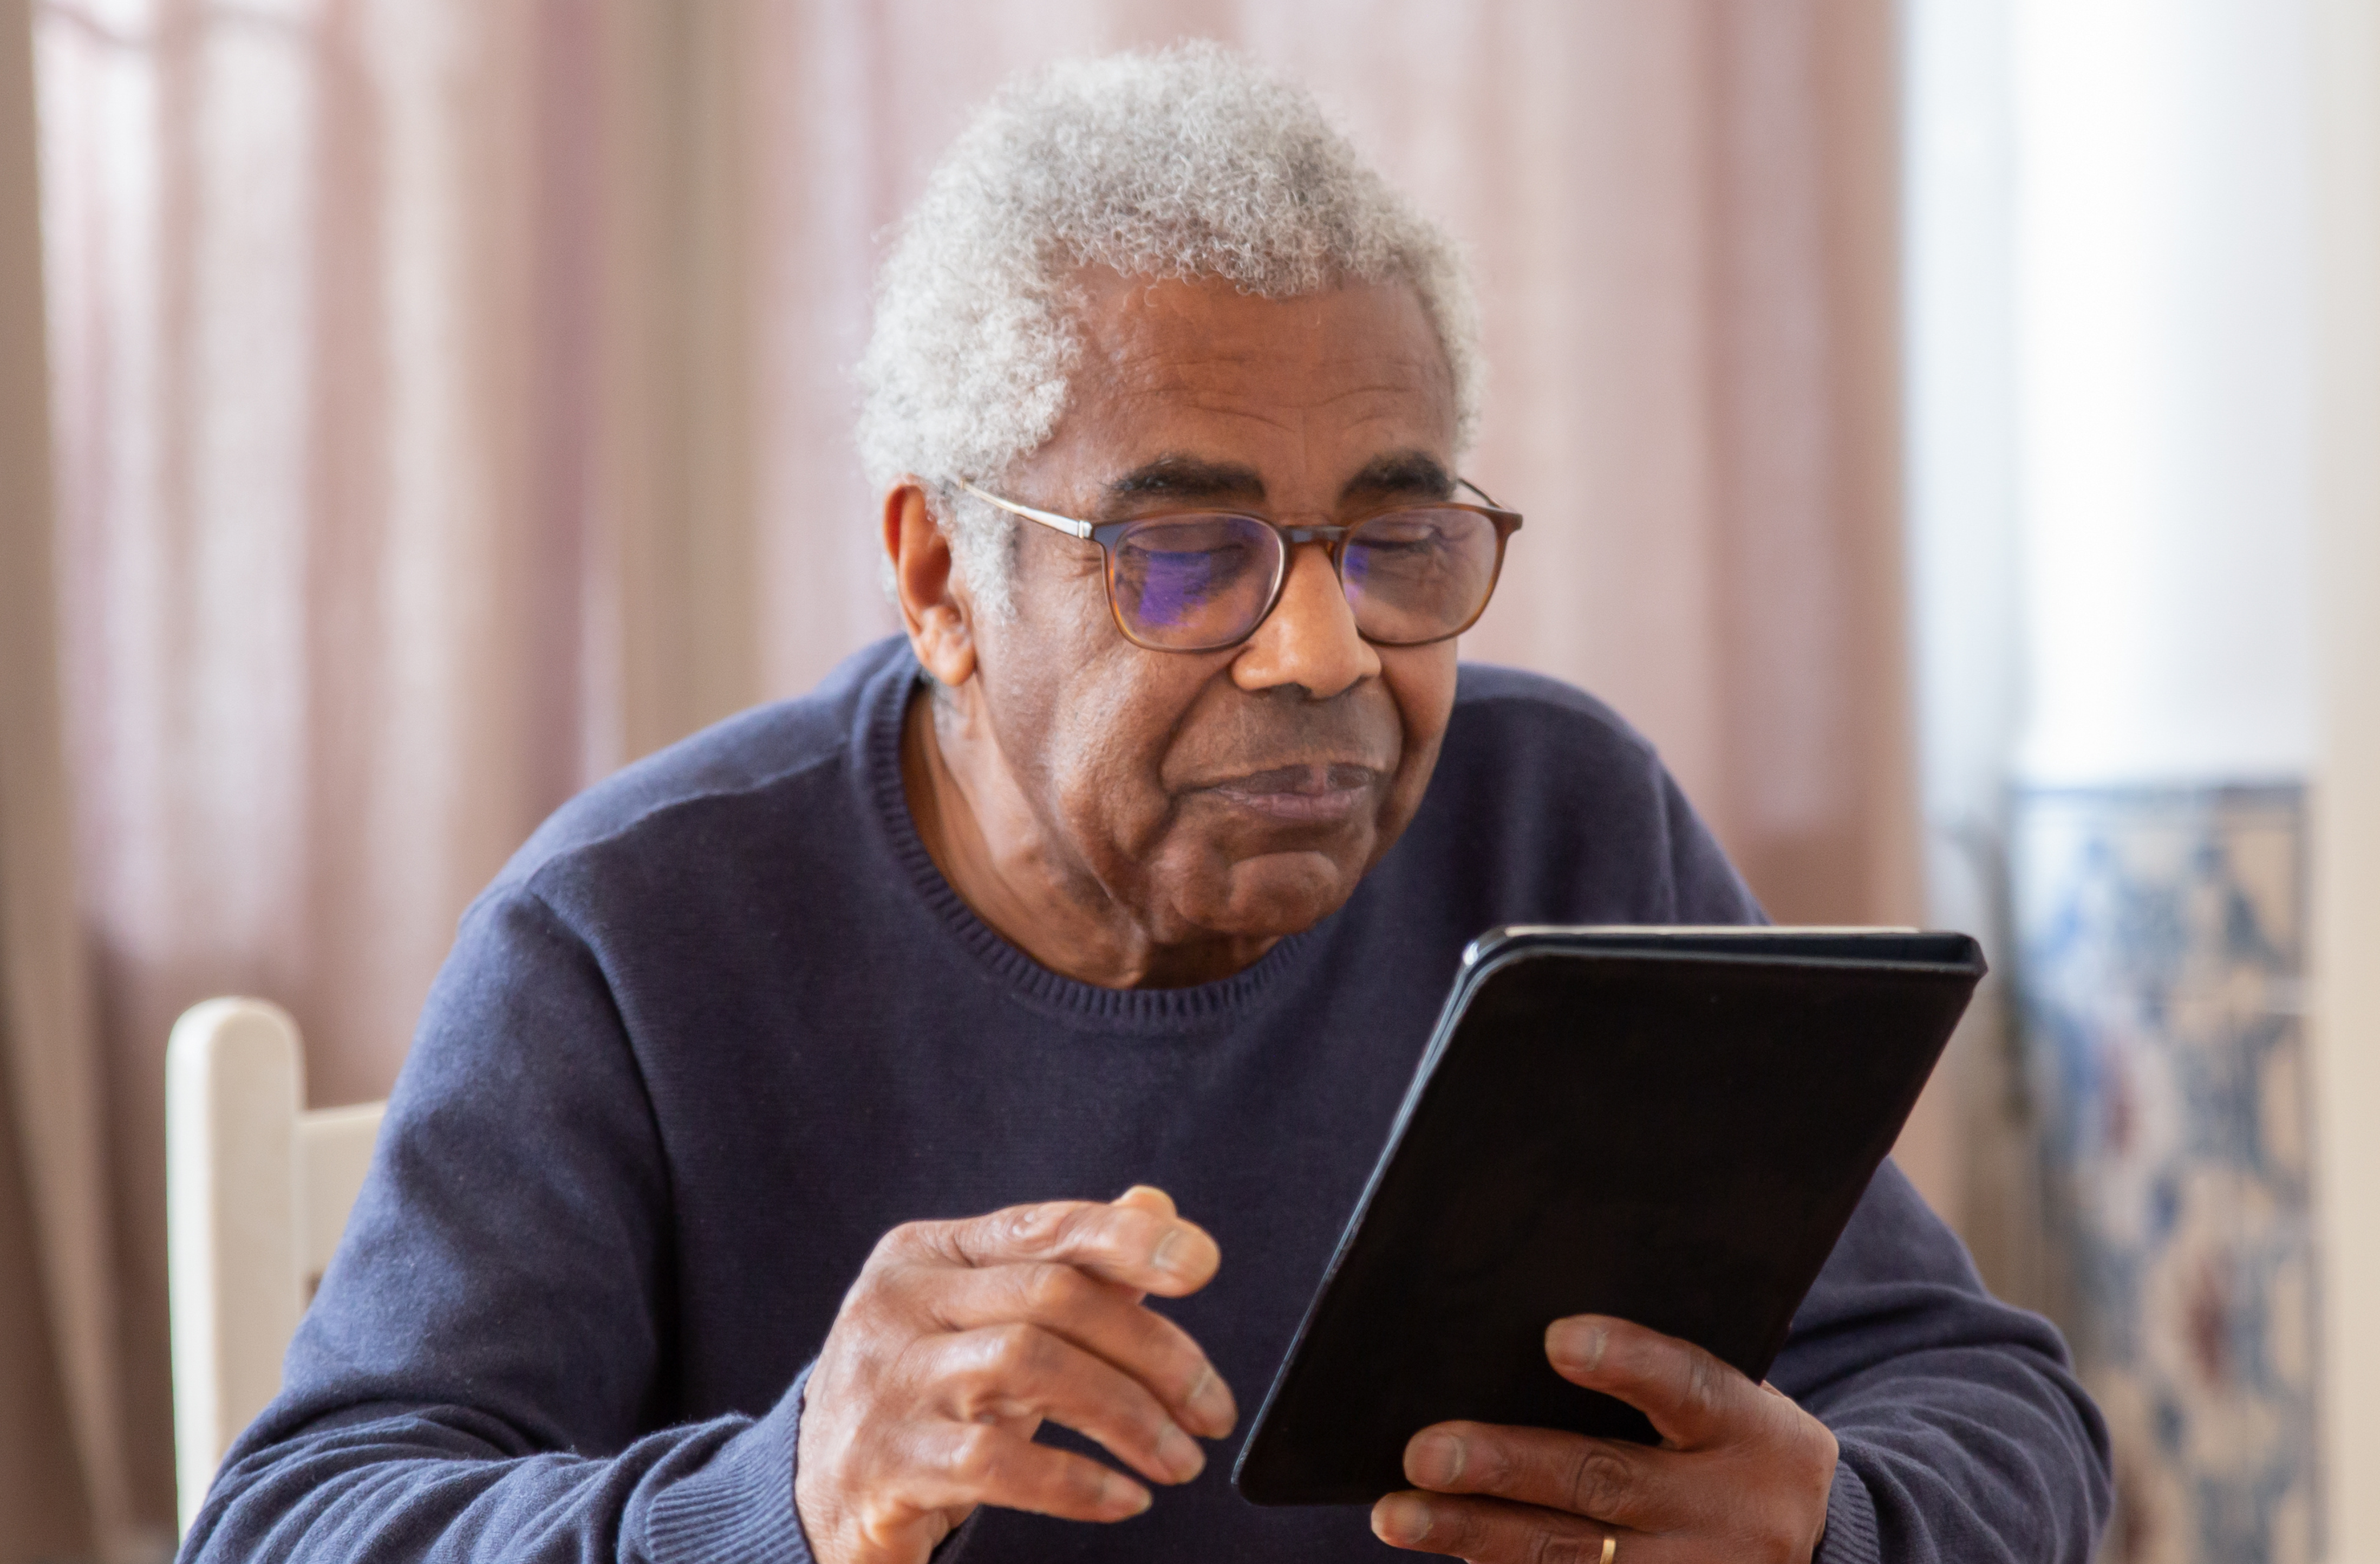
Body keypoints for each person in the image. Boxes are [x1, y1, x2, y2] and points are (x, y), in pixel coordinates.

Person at [185, 43, 2109, 1564]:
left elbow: (1986, 1404)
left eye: (1395, 540)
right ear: (942, 580)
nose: (1319, 654)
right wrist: (778, 1499)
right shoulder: (633, 932)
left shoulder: (1562, 822)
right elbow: (296, 1527)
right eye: (1184, 554)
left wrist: (1836, 1523)